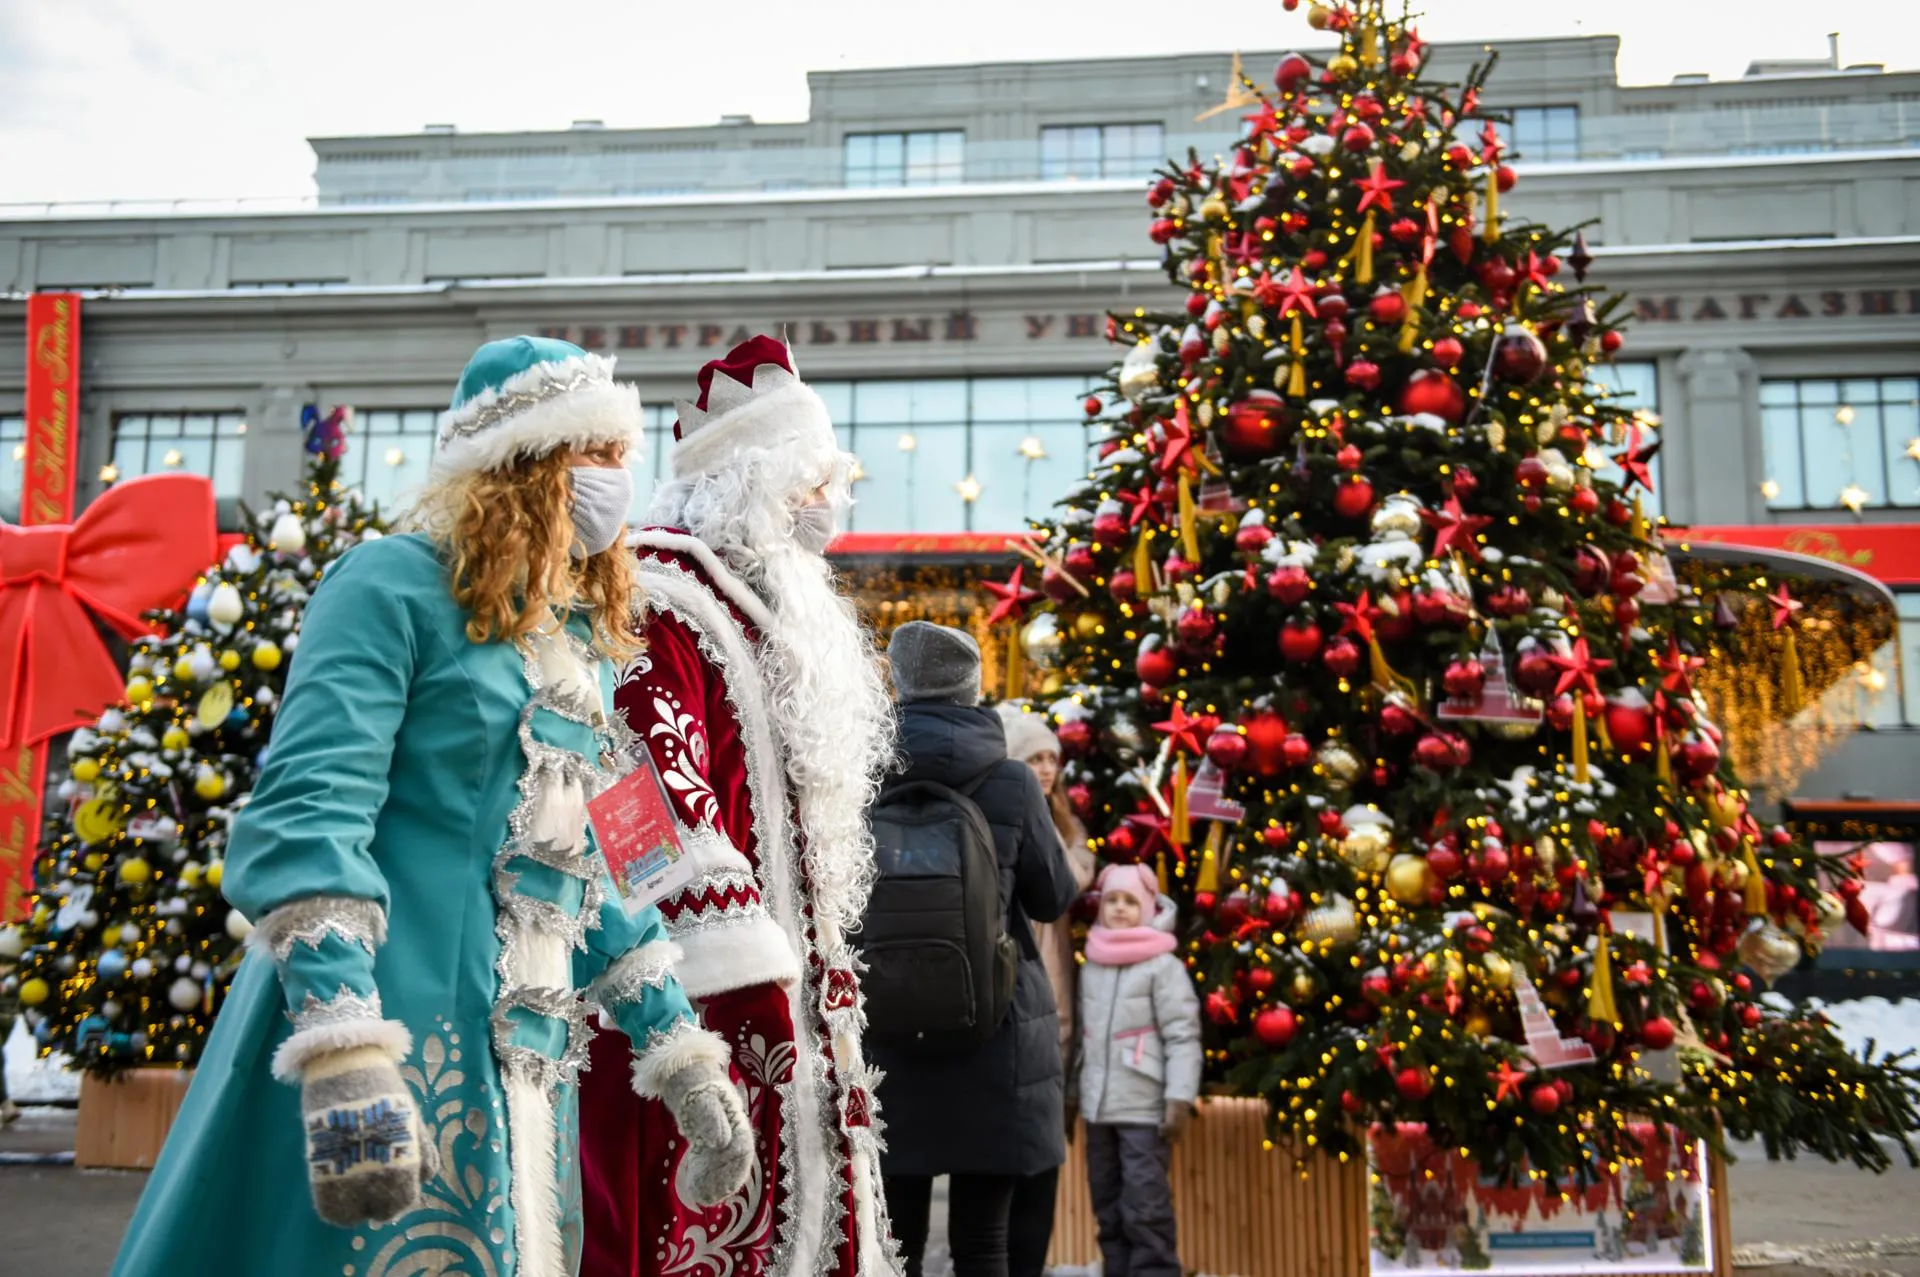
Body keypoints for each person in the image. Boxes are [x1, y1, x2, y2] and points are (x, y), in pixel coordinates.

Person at [111, 336, 753, 1277]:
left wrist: (680, 1050)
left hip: (531, 1069)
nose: (620, 480)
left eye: (624, 455)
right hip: (393, 1028)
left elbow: (607, 865)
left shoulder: (583, 637)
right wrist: (344, 1050)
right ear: (523, 464)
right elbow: (311, 812)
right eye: (598, 453)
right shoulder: (388, 585)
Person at [578, 335, 900, 1277]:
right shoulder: (659, 601)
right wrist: (735, 968)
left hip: (794, 1016)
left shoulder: (758, 609)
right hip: (694, 1007)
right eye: (812, 483)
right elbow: (637, 793)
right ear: (749, 484)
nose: (829, 505)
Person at [873, 623, 1078, 1277]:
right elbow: (1051, 898)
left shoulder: (859, 769)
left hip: (889, 1027)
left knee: (895, 1236)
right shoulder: (1013, 781)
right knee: (985, 1241)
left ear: (899, 684)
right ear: (972, 686)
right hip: (997, 1034)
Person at [996, 704, 1097, 1277]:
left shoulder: (1063, 821)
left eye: (1052, 759)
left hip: (1059, 975)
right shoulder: (1020, 822)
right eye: (1033, 757)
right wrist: (1079, 857)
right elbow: (1060, 877)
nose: (1046, 769)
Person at [1074, 863, 1201, 1277]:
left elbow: (1182, 1036)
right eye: (1111, 900)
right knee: (1107, 1206)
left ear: (1147, 907)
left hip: (1143, 1109)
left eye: (1130, 901)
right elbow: (1084, 1037)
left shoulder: (1162, 966)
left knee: (1145, 1207)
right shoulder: (1092, 962)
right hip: (1099, 1110)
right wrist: (1074, 1092)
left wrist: (1178, 1098)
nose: (1120, 908)